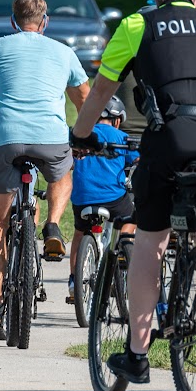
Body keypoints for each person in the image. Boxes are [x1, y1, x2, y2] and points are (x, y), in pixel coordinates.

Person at [70, 0, 196, 385]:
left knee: (149, 240)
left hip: (172, 137)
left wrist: (82, 133)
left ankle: (137, 354)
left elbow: (103, 88)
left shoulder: (137, 24)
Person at [0, 0, 90, 327]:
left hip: (5, 140)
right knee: (62, 174)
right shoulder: (64, 52)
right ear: (45, 22)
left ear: (13, 22)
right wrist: (86, 136)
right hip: (51, 140)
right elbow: (84, 98)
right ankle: (53, 224)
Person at [66, 95, 138, 306]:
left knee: (80, 232)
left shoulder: (79, 135)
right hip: (113, 199)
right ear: (117, 120)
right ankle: (123, 249)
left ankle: (73, 281)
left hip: (82, 198)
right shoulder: (121, 136)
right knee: (131, 219)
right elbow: (137, 161)